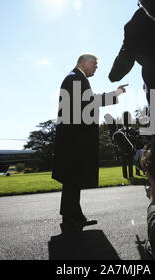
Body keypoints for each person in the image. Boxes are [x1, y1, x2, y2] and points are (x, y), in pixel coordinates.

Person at [52, 53, 128, 229]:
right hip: (74, 139)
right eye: (94, 64)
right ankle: (73, 217)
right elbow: (91, 100)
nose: (96, 67)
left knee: (72, 179)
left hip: (72, 138)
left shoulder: (75, 78)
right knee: (73, 178)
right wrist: (116, 93)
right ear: (83, 63)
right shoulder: (75, 78)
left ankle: (71, 216)